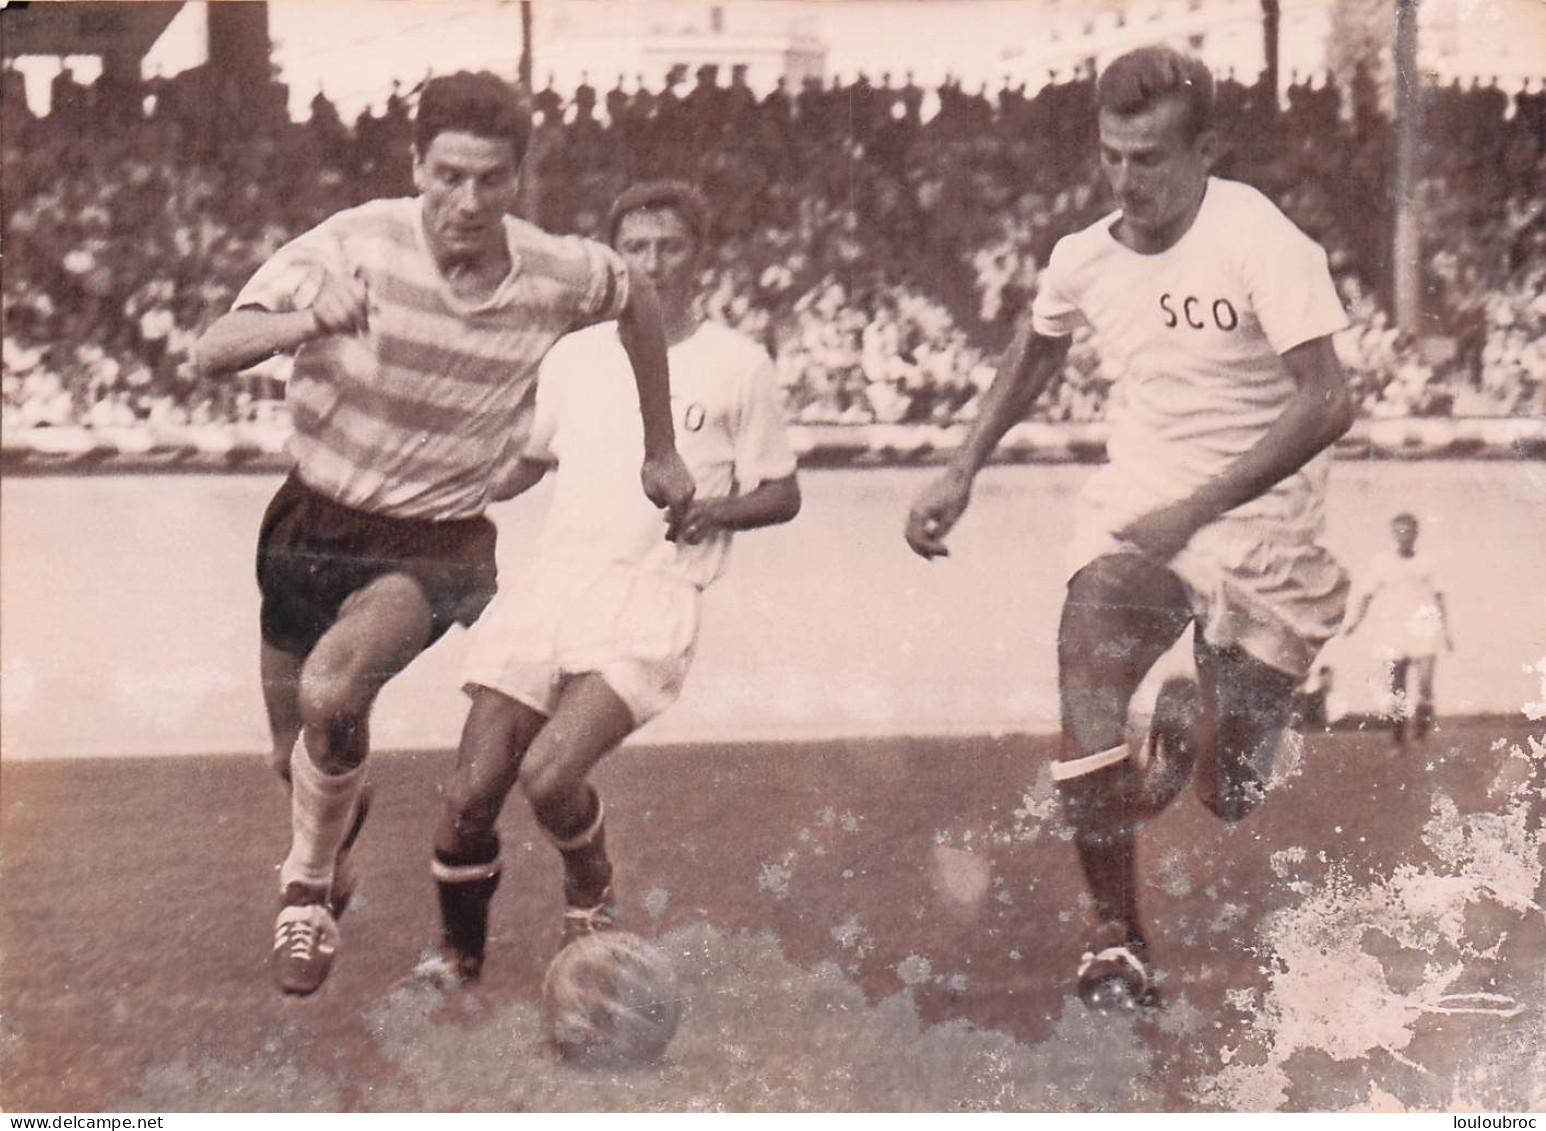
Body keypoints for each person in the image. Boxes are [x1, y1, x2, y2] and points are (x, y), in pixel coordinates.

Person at [193, 72, 696, 996]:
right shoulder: (351, 245)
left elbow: (642, 303)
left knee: (333, 685)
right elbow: (211, 348)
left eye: (491, 181)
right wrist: (309, 319)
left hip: (434, 540)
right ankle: (332, 830)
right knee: (301, 746)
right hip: (310, 520)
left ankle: (304, 893)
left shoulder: (556, 269)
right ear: (415, 166)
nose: (467, 201)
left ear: (519, 181)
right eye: (448, 176)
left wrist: (660, 446)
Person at [905, 46, 1354, 1009]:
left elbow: (1326, 404)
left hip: (1264, 527)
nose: (1126, 177)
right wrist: (962, 466)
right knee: (1087, 643)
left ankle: (1201, 738)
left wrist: (1199, 507)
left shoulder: (1261, 240)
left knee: (1230, 796)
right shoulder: (1082, 257)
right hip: (1139, 501)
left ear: (1206, 151)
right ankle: (1116, 935)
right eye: (1112, 154)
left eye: (1148, 157)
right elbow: (1038, 345)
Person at [421, 181, 801, 986]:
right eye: (637, 246)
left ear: (701, 254)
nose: (653, 262)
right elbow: (527, 463)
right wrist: (446, 487)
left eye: (670, 245)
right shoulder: (575, 354)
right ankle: (458, 959)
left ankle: (591, 886)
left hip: (651, 595)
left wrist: (716, 511)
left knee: (550, 773)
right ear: (615, 256)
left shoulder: (739, 364)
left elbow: (783, 491)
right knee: (468, 791)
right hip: (552, 588)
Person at [1342, 513, 1454, 746]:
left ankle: (1421, 734)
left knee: (1425, 686)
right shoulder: (1381, 563)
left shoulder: (1428, 562)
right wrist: (1354, 622)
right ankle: (1398, 738)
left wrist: (1446, 631)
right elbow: (1366, 595)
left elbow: (1440, 596)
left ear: (1416, 533)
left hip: (1424, 629)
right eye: (1399, 532)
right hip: (1393, 631)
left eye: (1409, 531)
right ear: (1393, 534)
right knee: (1396, 689)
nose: (1404, 536)